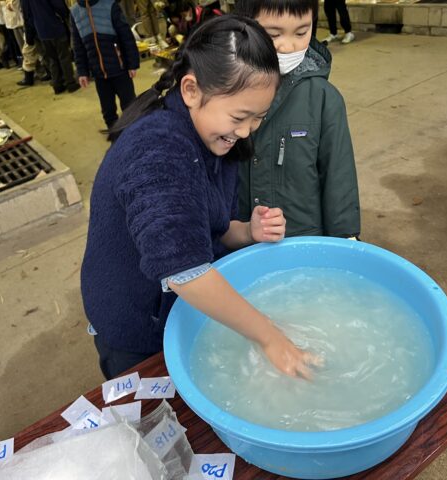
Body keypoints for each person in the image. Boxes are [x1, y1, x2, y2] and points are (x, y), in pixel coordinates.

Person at [81, 15, 318, 381]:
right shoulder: (157, 149)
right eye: (239, 116)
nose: (246, 131)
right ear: (191, 90)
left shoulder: (215, 139)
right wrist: (271, 338)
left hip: (180, 307)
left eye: (258, 118)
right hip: (137, 322)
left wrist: (247, 231)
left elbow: (210, 229)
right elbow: (184, 271)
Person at [234, 0, 360, 240]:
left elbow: (339, 178)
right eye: (274, 34)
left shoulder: (324, 98)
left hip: (304, 239)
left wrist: (345, 237)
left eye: (301, 32)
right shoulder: (227, 89)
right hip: (240, 240)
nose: (288, 46)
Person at [70, 0, 140, 129]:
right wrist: (82, 71)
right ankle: (113, 131)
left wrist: (132, 63)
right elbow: (78, 46)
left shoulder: (110, 5)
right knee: (107, 109)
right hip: (98, 74)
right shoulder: (75, 12)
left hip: (120, 68)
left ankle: (133, 131)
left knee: (129, 105)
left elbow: (126, 36)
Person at [21, 0, 80, 94]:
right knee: (64, 57)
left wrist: (30, 34)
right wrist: (66, 15)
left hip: (41, 31)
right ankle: (70, 83)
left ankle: (57, 85)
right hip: (55, 26)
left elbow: (27, 15)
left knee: (51, 59)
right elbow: (59, 6)